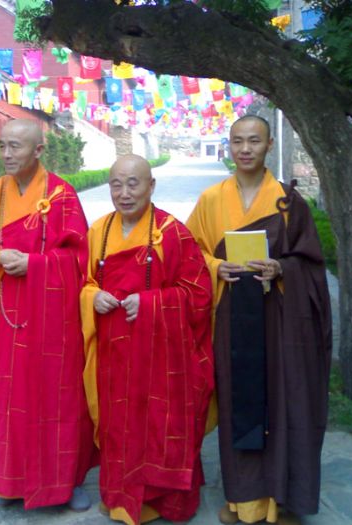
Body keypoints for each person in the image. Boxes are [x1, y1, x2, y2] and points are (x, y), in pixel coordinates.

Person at [186, 115, 332, 525]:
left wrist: (282, 268)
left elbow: (311, 263)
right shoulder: (211, 200)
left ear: (269, 145)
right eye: (237, 141)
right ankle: (242, 501)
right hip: (231, 317)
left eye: (254, 141)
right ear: (229, 145)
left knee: (282, 403)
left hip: (278, 321)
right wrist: (215, 266)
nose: (245, 149)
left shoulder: (287, 201)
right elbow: (189, 252)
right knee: (239, 402)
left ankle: (279, 501)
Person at [0, 119, 95, 511]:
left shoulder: (62, 196)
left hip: (54, 318)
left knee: (58, 398)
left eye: (15, 146)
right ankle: (11, 483)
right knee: (8, 398)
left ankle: (66, 483)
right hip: (5, 315)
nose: (6, 154)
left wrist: (36, 265)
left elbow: (80, 258)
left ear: (38, 150)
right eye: (2, 146)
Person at [80, 154, 215, 525]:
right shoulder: (99, 232)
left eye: (133, 183)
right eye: (116, 185)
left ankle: (162, 500)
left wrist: (153, 303)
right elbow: (83, 281)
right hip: (112, 352)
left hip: (160, 356)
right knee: (118, 425)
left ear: (151, 186)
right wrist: (92, 297)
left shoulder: (172, 232)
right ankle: (120, 498)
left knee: (158, 425)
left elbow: (199, 293)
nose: (124, 193)